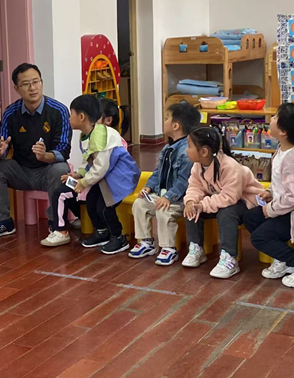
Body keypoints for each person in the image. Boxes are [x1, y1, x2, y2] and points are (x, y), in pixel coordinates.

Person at [0, 63, 71, 241]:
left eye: (36, 82)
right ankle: (4, 222)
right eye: (26, 84)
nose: (32, 88)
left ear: (41, 83)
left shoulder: (58, 110)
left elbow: (64, 150)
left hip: (47, 171)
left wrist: (44, 156)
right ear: (17, 88)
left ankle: (56, 223)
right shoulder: (11, 112)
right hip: (21, 172)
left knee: (60, 168)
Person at [47, 95, 140, 254]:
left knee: (104, 207)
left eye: (71, 114)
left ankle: (118, 237)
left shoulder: (100, 135)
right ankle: (101, 232)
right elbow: (88, 159)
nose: (69, 118)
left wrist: (84, 182)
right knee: (91, 202)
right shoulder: (87, 134)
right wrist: (78, 174)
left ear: (82, 117)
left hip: (118, 178)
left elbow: (101, 167)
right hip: (104, 178)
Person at [243, 103, 294, 287]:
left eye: (275, 117)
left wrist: (269, 210)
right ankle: (282, 259)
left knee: (259, 237)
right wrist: (270, 192)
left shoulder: (293, 158)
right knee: (250, 217)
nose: (271, 119)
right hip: (284, 207)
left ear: (283, 131)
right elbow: (283, 182)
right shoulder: (284, 148)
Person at [182, 127, 263, 279]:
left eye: (189, 146)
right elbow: (195, 187)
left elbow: (229, 197)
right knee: (190, 208)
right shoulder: (198, 165)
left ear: (204, 152)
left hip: (245, 201)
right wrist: (191, 201)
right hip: (219, 199)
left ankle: (229, 257)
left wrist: (203, 204)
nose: (186, 150)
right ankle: (196, 248)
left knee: (227, 214)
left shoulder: (230, 167)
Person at [129, 103, 201, 265]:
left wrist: (168, 197)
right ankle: (146, 241)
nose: (164, 121)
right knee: (140, 204)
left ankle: (169, 248)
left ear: (176, 126)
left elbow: (184, 181)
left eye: (167, 118)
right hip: (163, 195)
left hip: (180, 199)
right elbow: (158, 171)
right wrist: (149, 186)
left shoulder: (186, 151)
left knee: (163, 211)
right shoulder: (167, 148)